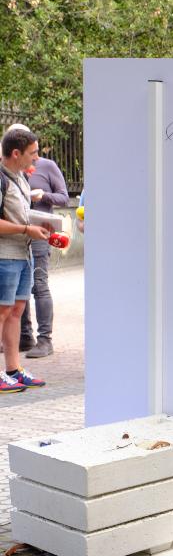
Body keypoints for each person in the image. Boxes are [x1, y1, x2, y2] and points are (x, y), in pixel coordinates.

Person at [0, 127, 48, 393]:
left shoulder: (20, 177)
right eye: (33, 153)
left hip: (23, 254)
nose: (37, 158)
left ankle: (13, 369)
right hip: (5, 256)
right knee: (2, 312)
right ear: (16, 153)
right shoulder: (1, 178)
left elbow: (22, 214)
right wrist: (25, 229)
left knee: (16, 311)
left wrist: (37, 226)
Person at [18, 140, 69, 359]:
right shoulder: (10, 169)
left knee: (39, 284)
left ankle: (45, 340)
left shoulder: (47, 166)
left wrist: (42, 196)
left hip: (40, 233)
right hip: (17, 234)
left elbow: (64, 197)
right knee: (19, 286)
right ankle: (24, 336)